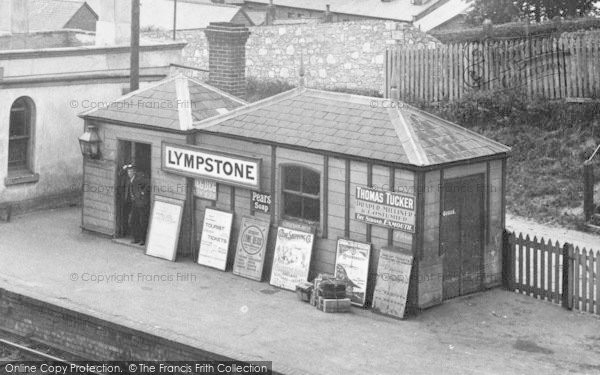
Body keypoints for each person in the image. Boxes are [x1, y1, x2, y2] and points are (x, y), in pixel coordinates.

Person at [125, 164, 150, 246]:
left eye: (131, 171)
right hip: (135, 203)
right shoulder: (130, 179)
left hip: (142, 203)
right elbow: (120, 174)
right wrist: (124, 168)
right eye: (128, 171)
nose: (129, 173)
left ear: (134, 172)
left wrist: (143, 193)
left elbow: (148, 183)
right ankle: (136, 238)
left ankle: (143, 240)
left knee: (142, 221)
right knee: (133, 220)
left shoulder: (138, 179)